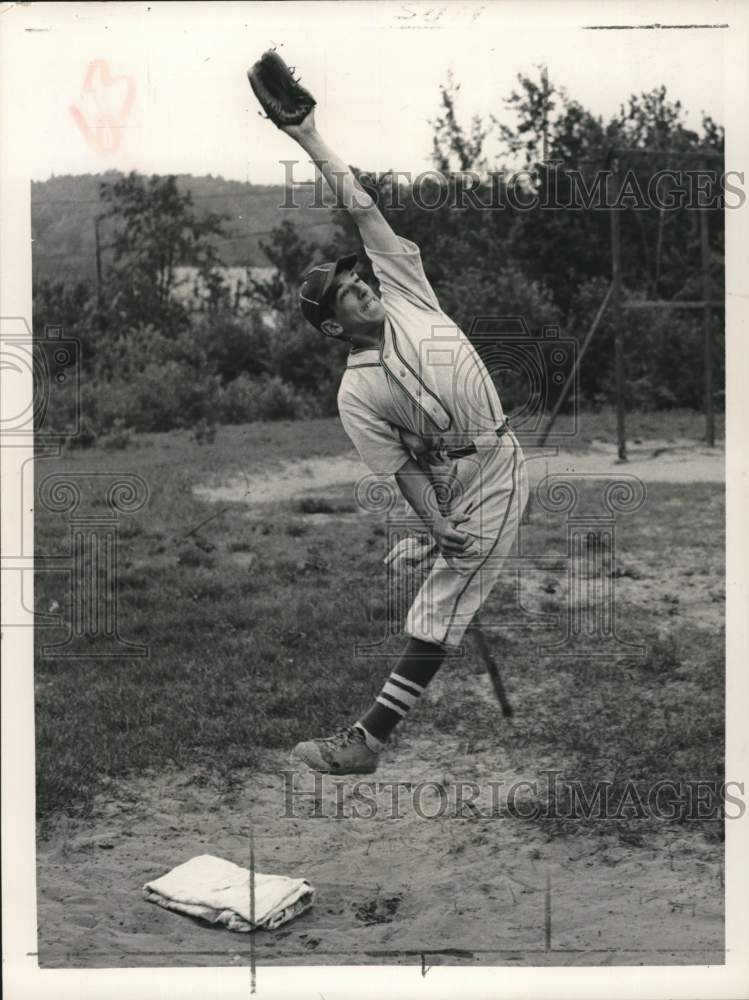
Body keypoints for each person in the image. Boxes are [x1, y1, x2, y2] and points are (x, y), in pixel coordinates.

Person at [277, 108, 529, 774]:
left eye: (355, 278)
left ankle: (367, 741)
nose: (358, 286)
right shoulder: (354, 395)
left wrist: (307, 136)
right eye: (343, 294)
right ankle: (435, 545)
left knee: (440, 600)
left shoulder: (407, 290)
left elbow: (360, 210)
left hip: (497, 462)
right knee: (445, 579)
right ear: (331, 328)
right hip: (451, 476)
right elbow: (402, 470)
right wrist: (435, 520)